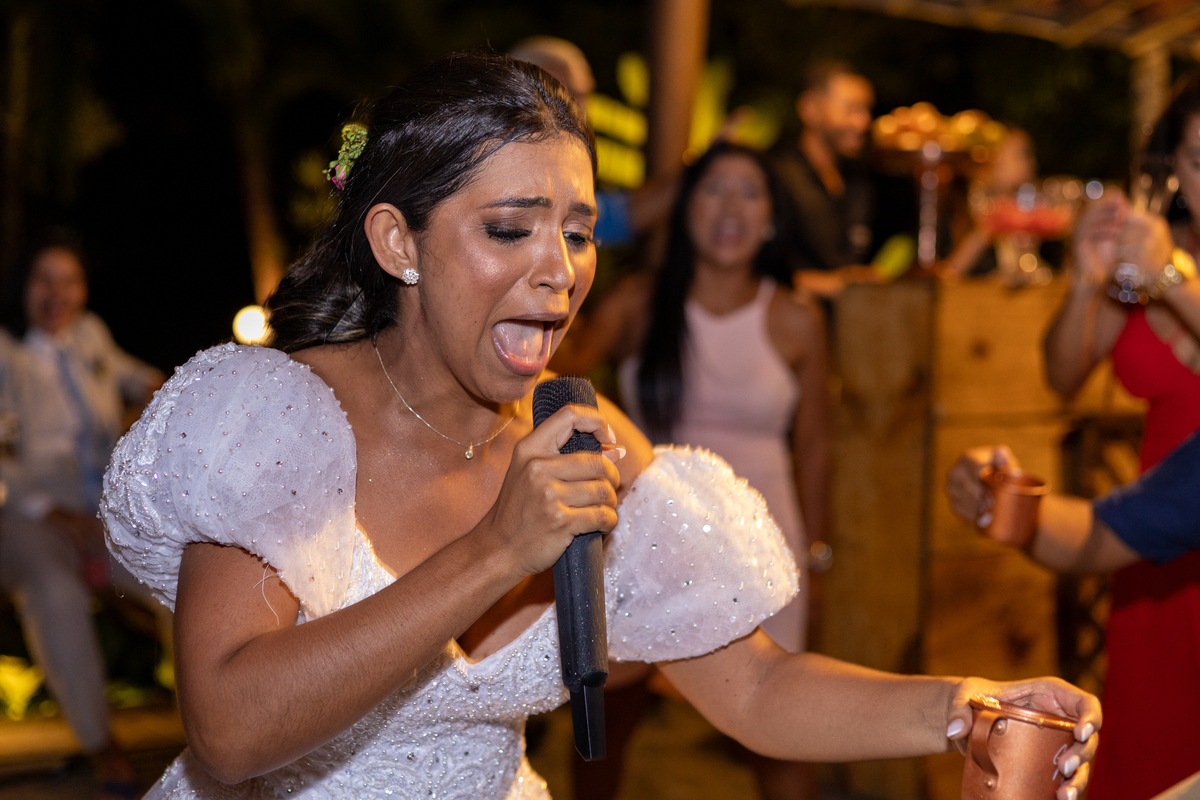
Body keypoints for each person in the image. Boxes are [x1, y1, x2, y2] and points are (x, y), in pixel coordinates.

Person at [101, 54, 1098, 800]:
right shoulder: (279, 417)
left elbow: (756, 687)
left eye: (578, 231)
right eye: (510, 228)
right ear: (398, 242)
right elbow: (229, 728)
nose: (560, 269)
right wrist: (497, 550)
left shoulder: (582, 432)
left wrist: (963, 705)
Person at [554, 140, 829, 800]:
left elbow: (818, 444)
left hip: (766, 545)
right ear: (682, 210)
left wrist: (818, 556)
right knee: (604, 732)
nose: (730, 207)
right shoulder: (638, 304)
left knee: (780, 735)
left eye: (750, 192)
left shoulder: (797, 319)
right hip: (647, 542)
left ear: (771, 220)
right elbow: (552, 377)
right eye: (712, 189)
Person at [1041, 69, 1200, 800]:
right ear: (1171, 172)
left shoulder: (1164, 269)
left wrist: (1170, 278)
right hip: (1147, 528)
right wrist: (1086, 276)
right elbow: (1062, 374)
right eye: (1199, 159)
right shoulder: (1146, 260)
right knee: (1151, 734)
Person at [0, 235, 167, 800]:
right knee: (56, 590)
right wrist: (50, 511)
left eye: (69, 280)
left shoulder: (90, 334)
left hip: (102, 506)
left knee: (178, 578)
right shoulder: (6, 351)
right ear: (22, 285)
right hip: (24, 507)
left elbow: (139, 377)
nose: (58, 294)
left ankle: (215, 719)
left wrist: (167, 395)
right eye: (43, 279)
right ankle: (100, 742)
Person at [508, 36, 677, 249]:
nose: (576, 111)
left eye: (582, 96)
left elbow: (622, 214)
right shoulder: (489, 172)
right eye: (558, 94)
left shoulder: (570, 188)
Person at [771, 60, 881, 297]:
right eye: (851, 109)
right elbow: (759, 271)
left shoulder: (859, 182)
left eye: (866, 110)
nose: (863, 122)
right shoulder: (778, 177)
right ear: (810, 109)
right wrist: (832, 284)